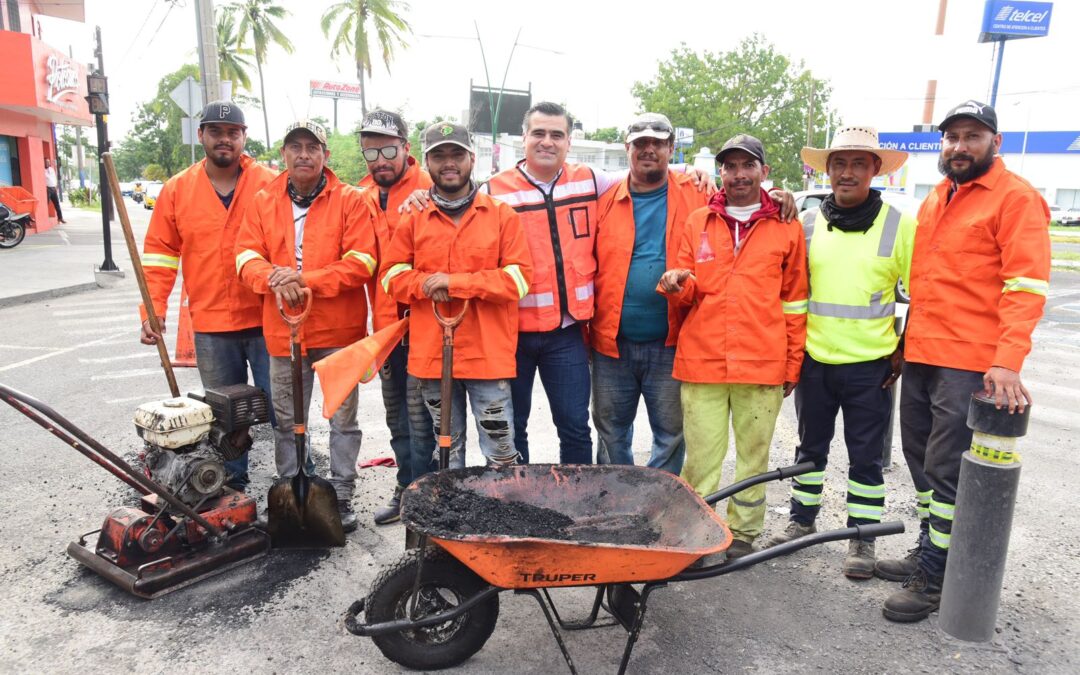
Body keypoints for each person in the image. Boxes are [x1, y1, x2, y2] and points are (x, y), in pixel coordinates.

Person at [879, 101, 1050, 622]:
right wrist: (905, 347)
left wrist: (1007, 361)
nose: (958, 146)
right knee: (920, 457)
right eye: (951, 137)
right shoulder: (938, 197)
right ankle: (931, 549)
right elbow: (929, 285)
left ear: (994, 143)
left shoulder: (1015, 199)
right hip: (926, 353)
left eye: (972, 136)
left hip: (970, 361)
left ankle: (937, 572)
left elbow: (1026, 286)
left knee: (948, 468)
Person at [763, 126, 915, 579]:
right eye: (839, 164)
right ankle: (801, 521)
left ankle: (862, 538)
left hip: (871, 367)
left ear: (875, 170)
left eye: (857, 164)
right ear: (826, 170)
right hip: (815, 361)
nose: (847, 173)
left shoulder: (900, 226)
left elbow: (923, 294)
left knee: (866, 456)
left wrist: (904, 348)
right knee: (809, 449)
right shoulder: (807, 224)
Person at [659, 134, 808, 559]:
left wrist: (791, 364)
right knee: (701, 460)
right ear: (721, 172)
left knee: (753, 458)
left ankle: (743, 536)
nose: (739, 174)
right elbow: (686, 290)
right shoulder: (698, 221)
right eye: (731, 166)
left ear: (764, 170)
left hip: (762, 363)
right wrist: (673, 285)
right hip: (702, 361)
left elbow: (795, 302)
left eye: (748, 165)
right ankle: (699, 535)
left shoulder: (787, 225)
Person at [236, 119, 377, 533]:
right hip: (283, 334)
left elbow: (362, 262)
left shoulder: (350, 200)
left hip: (340, 334)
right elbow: (245, 257)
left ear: (325, 155)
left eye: (312, 147)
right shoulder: (263, 201)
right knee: (286, 421)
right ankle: (292, 490)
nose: (303, 154)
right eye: (294, 146)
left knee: (342, 420)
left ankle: (342, 493)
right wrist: (272, 279)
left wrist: (304, 281)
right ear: (283, 154)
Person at [140, 100, 277, 491]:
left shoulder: (268, 183)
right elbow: (159, 257)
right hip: (212, 323)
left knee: (283, 408)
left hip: (268, 319)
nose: (225, 139)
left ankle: (294, 478)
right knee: (221, 415)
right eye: (216, 131)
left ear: (244, 137)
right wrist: (152, 310)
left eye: (233, 133)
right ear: (201, 135)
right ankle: (231, 485)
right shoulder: (177, 190)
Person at [381, 122, 532, 473]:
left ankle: (502, 514)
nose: (449, 163)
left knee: (500, 448)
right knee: (445, 448)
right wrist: (423, 285)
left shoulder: (500, 215)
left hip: (487, 355)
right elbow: (391, 276)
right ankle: (449, 519)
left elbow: (519, 280)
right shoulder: (414, 217)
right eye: (439, 156)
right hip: (433, 356)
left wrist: (457, 283)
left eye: (456, 155)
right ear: (427, 162)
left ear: (471, 159)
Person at [591, 113, 709, 474]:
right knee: (611, 433)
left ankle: (658, 507)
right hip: (613, 343)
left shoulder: (698, 192)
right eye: (640, 143)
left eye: (657, 143)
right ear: (627, 149)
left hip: (672, 342)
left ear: (671, 149)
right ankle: (615, 502)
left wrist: (778, 199)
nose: (648, 150)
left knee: (671, 435)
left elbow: (744, 201)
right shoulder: (604, 199)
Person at [356, 109, 435, 525]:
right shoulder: (362, 196)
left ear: (405, 147)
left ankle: (430, 494)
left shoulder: (429, 187)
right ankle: (406, 487)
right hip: (386, 328)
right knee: (396, 415)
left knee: (426, 419)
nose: (381, 159)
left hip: (426, 326)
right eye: (371, 151)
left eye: (388, 148)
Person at [44, 158, 65, 223]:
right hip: (47, 189)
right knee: (46, 204)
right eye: (46, 162)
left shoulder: (52, 169)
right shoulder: (43, 170)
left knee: (57, 204)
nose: (47, 163)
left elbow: (54, 178)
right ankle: (45, 219)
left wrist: (56, 186)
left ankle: (60, 218)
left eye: (48, 162)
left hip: (53, 188)